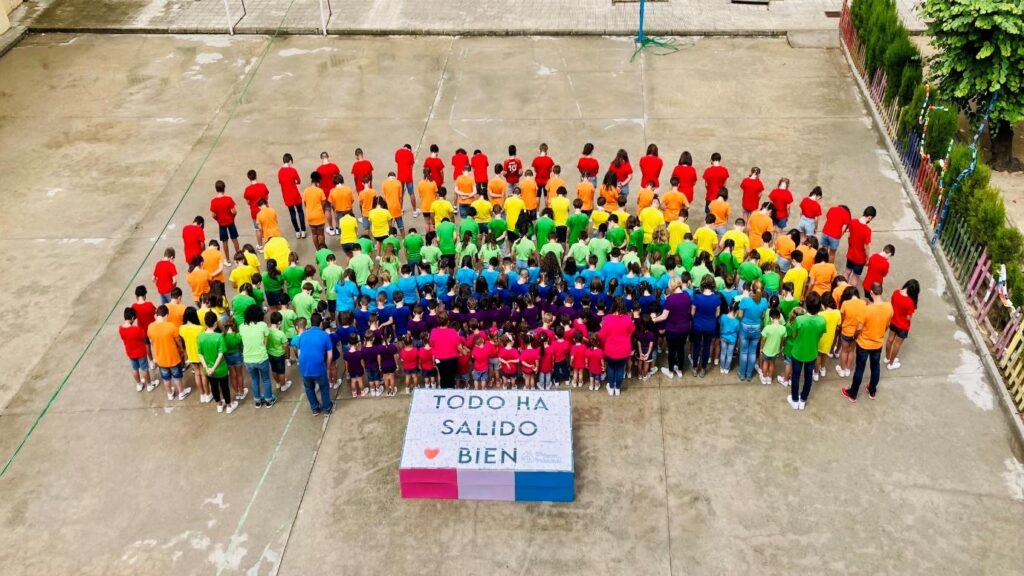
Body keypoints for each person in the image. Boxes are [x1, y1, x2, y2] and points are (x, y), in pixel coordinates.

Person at [842, 283, 892, 402]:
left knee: (860, 368)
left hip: (863, 344)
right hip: (878, 343)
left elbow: (859, 328)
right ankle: (872, 390)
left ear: (871, 292)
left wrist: (855, 336)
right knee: (875, 367)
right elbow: (887, 325)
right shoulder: (889, 307)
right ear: (881, 291)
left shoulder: (867, 309)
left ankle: (853, 393)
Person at [788, 293, 827, 410]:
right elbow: (820, 335)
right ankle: (803, 399)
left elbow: (793, 334)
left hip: (798, 351)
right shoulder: (822, 321)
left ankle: (795, 399)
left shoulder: (799, 320)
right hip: (812, 352)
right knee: (808, 376)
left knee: (795, 375)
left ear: (806, 305)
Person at [294, 312, 335, 415]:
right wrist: (328, 367)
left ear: (310, 323)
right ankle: (327, 407)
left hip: (305, 368)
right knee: (324, 387)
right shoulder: (325, 335)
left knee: (309, 388)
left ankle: (315, 408)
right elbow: (330, 355)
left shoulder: (303, 335)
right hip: (319, 367)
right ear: (320, 323)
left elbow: (299, 351)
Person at [198, 311, 238, 413]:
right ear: (215, 323)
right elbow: (220, 355)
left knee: (214, 387)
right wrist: (215, 368)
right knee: (224, 387)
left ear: (205, 323)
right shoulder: (219, 337)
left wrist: (207, 368)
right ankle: (229, 405)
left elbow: (200, 354)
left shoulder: (201, 337)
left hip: (208, 369)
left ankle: (219, 404)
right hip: (220, 368)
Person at [148, 305, 189, 401]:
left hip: (160, 358)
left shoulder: (150, 327)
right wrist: (182, 350)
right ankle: (181, 392)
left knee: (166, 378)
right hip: (173, 357)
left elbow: (151, 342)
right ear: (166, 315)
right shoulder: (171, 326)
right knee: (177, 376)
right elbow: (178, 340)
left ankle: (170, 393)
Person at [240, 305, 275, 408]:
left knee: (254, 380)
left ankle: (257, 401)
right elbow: (265, 341)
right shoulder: (263, 325)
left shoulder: (242, 326)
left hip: (248, 358)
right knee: (266, 379)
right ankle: (268, 400)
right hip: (261, 357)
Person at [598, 299, 633, 396]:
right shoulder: (628, 318)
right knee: (621, 369)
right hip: (624, 349)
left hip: (610, 350)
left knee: (611, 368)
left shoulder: (607, 319)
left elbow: (601, 335)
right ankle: (617, 388)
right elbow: (631, 330)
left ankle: (611, 387)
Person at [737, 280, 769, 382]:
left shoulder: (745, 301)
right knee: (752, 352)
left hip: (745, 327)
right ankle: (749, 374)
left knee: (744, 351)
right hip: (757, 328)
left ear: (752, 288)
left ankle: (742, 374)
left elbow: (740, 315)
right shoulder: (764, 301)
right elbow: (763, 316)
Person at [690, 275, 721, 378]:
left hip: (698, 325)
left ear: (702, 284)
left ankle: (695, 368)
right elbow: (717, 314)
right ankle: (703, 369)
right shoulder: (716, 298)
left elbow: (692, 312)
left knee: (696, 346)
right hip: (710, 326)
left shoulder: (697, 297)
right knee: (707, 347)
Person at [886, 279, 919, 370]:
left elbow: (892, 304)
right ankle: (891, 363)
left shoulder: (896, 292)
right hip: (903, 326)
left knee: (889, 340)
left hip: (893, 321)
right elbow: (908, 317)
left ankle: (887, 357)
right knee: (897, 345)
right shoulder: (910, 302)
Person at [119, 308, 153, 392]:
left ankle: (139, 384)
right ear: (133, 318)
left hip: (130, 352)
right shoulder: (136, 329)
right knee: (144, 368)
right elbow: (143, 338)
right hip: (140, 352)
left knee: (135, 368)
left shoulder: (121, 329)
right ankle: (149, 385)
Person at [429, 313, 463, 389]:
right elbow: (459, 346)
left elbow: (431, 344)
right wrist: (462, 352)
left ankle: (444, 389)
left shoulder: (433, 331)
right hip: (452, 359)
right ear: (448, 322)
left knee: (442, 376)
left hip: (439, 359)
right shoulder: (453, 332)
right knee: (451, 377)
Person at [209, 181, 240, 262]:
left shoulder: (213, 201)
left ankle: (228, 259)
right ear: (224, 188)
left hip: (221, 224)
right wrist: (233, 218)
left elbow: (213, 215)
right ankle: (239, 257)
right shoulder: (228, 199)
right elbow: (234, 211)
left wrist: (218, 219)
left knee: (224, 241)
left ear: (216, 189)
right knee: (234, 239)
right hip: (230, 222)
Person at [845, 206, 876, 287]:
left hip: (851, 254)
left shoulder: (853, 221)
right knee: (855, 277)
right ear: (869, 217)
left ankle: (843, 288)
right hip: (859, 259)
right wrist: (867, 258)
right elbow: (866, 247)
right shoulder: (867, 230)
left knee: (847, 272)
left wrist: (850, 247)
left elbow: (849, 237)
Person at [277, 153, 306, 239]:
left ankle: (297, 231)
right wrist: (294, 182)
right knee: (300, 212)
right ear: (290, 161)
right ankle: (303, 231)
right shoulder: (293, 170)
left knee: (292, 213)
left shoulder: (280, 172)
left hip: (287, 195)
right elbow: (298, 181)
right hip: (295, 194)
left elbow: (280, 182)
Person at [243, 170, 270, 248]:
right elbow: (266, 197)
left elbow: (248, 202)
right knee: (266, 227)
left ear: (249, 178)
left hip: (255, 212)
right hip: (265, 210)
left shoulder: (247, 189)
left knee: (258, 229)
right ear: (256, 176)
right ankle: (268, 243)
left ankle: (260, 246)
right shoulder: (263, 186)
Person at [303, 172, 328, 248]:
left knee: (314, 234)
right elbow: (324, 203)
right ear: (318, 182)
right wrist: (322, 212)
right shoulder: (320, 191)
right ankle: (322, 249)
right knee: (321, 234)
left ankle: (317, 250)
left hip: (310, 216)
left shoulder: (306, 191)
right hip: (319, 215)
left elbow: (305, 203)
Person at [394, 144, 417, 214]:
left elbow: (397, 161)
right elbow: (411, 165)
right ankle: (414, 211)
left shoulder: (397, 152)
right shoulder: (410, 154)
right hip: (408, 176)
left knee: (400, 193)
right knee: (411, 193)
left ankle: (400, 210)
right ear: (409, 149)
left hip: (400, 176)